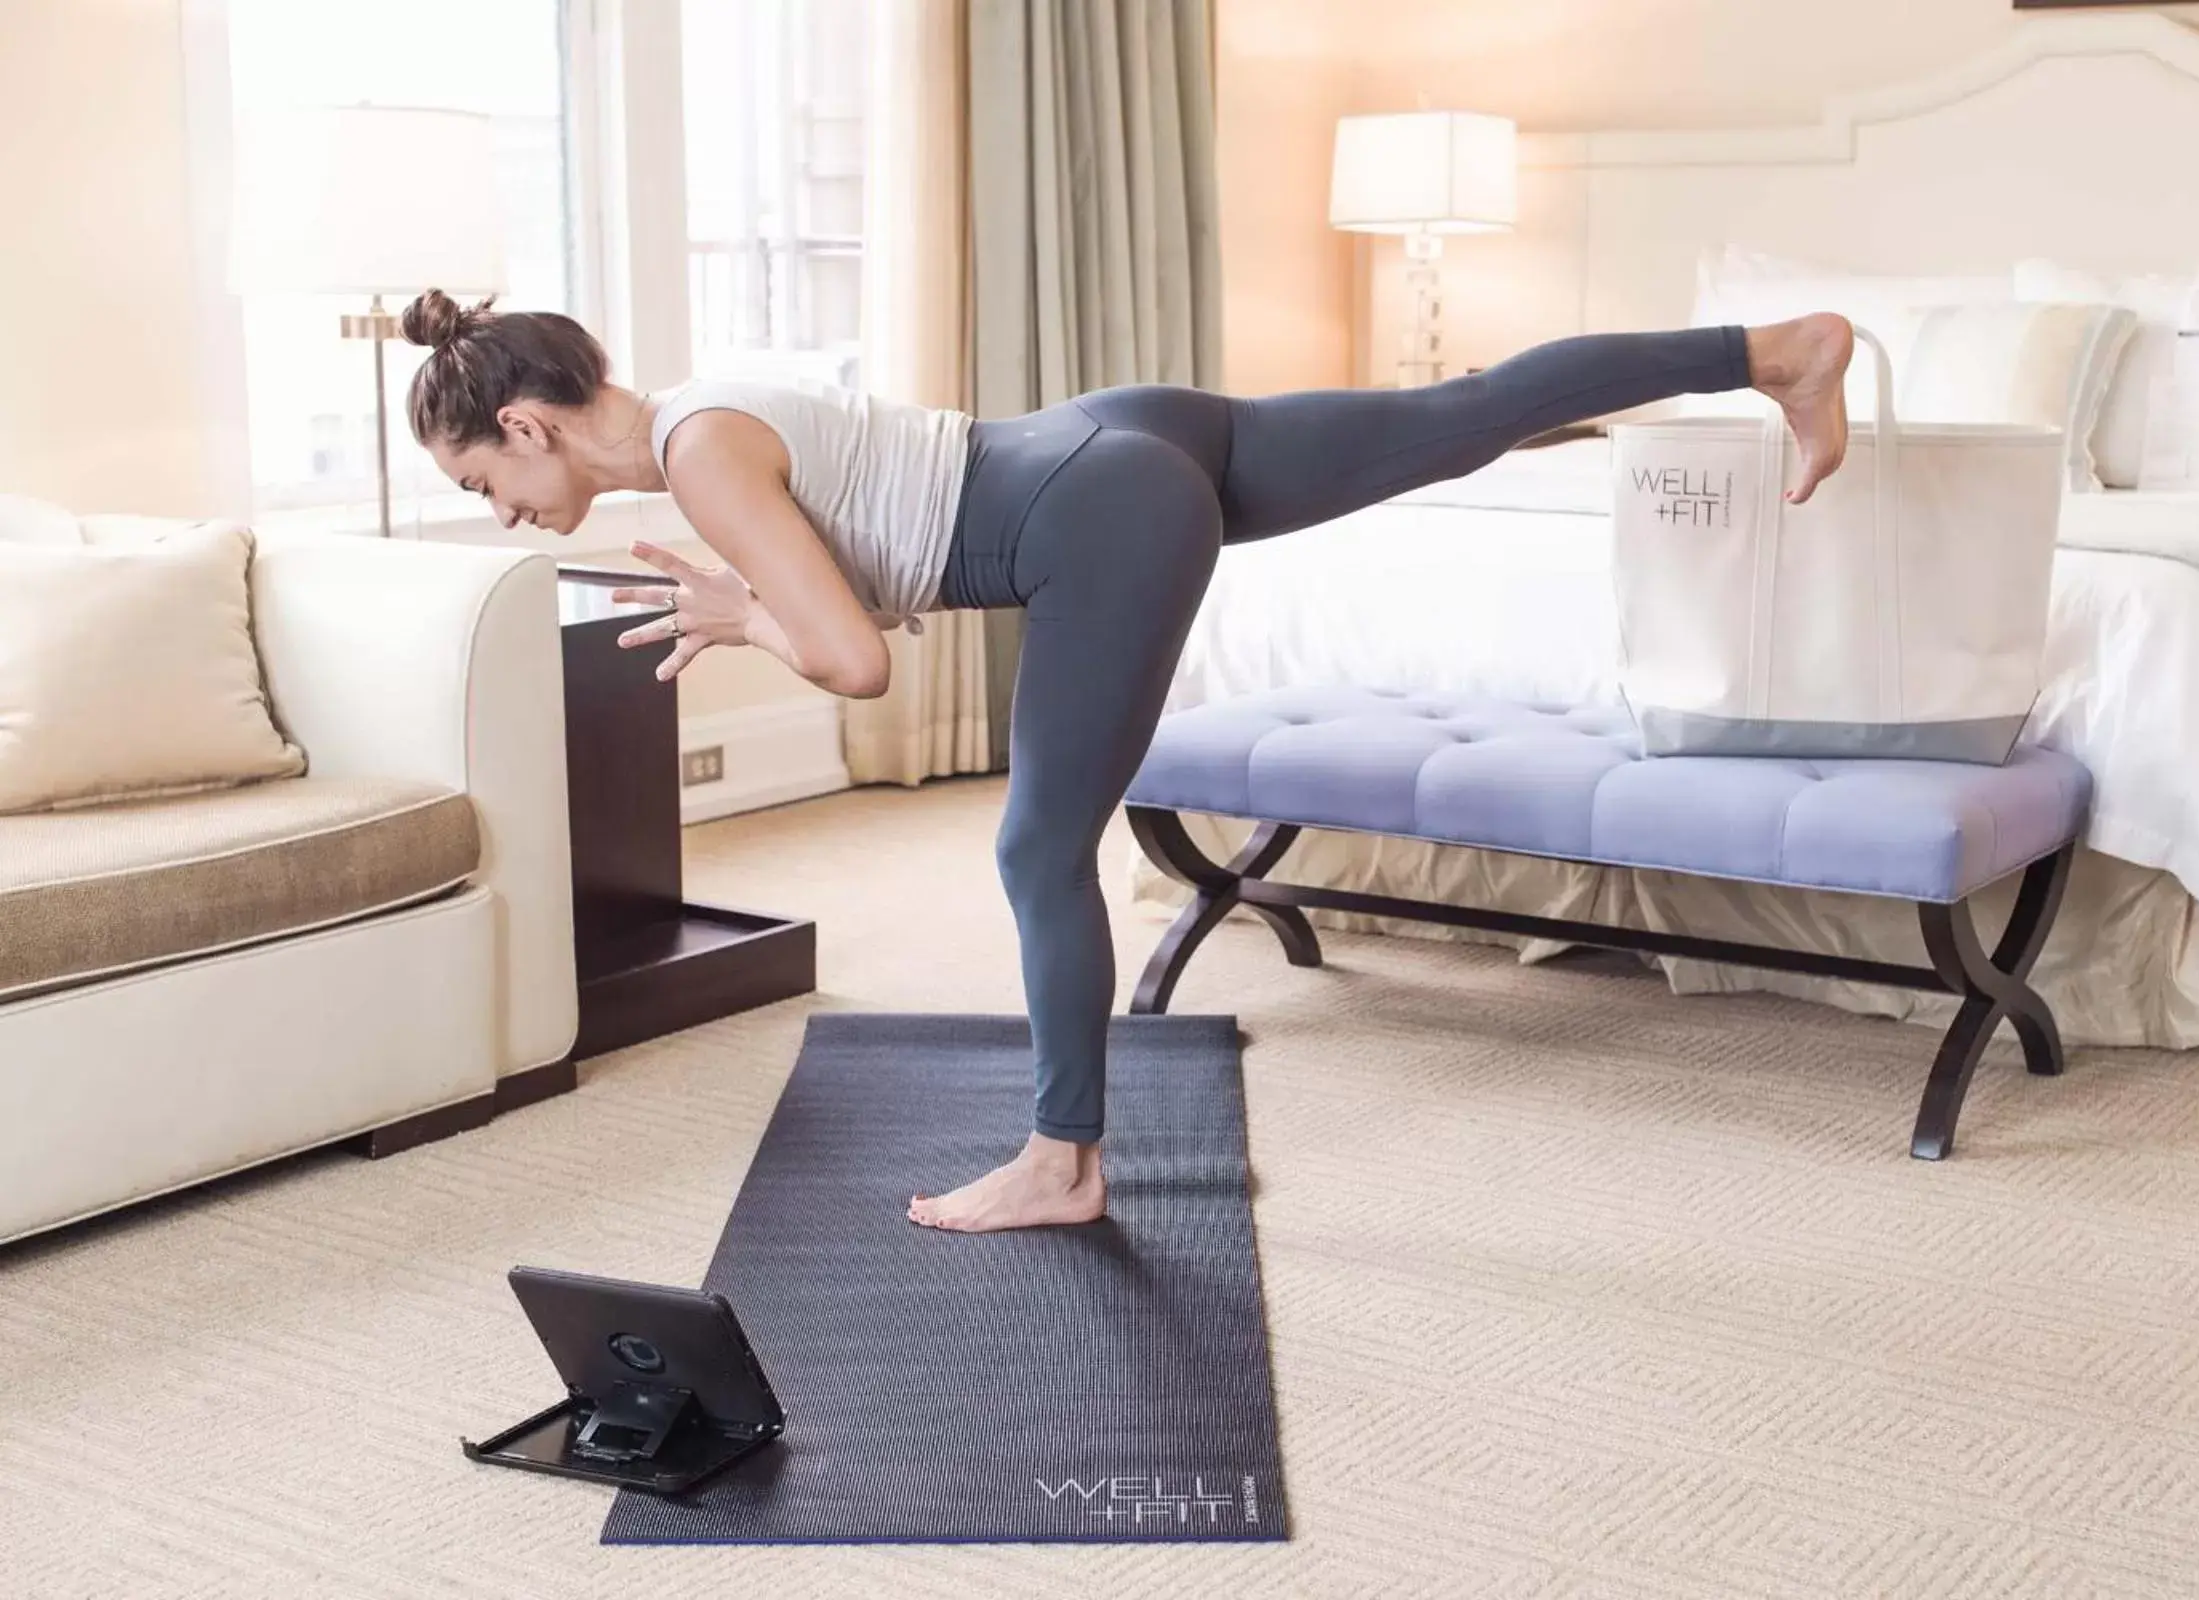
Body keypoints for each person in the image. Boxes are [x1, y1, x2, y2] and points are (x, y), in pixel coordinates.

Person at [397, 287, 1856, 1235]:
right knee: (1455, 417)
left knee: (1035, 848)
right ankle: (1769, 352)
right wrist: (770, 599)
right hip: (1111, 436)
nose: (507, 509)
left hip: (1094, 514)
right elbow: (892, 530)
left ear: (528, 423)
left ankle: (1063, 1161)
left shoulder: (707, 461)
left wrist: (747, 616)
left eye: (486, 480)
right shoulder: (714, 400)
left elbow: (855, 663)